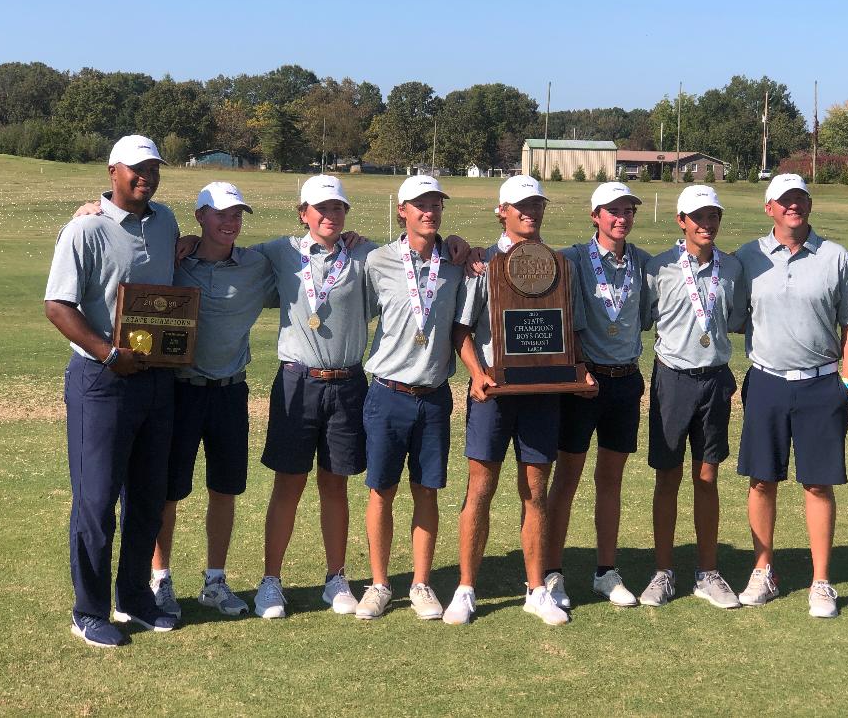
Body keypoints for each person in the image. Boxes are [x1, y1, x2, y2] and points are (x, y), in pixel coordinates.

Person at [45, 135, 180, 647]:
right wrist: (107, 353)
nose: (146, 176)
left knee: (147, 497)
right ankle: (89, 609)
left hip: (156, 378)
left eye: (153, 168)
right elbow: (58, 305)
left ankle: (135, 598)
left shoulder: (165, 222)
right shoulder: (84, 229)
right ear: (112, 172)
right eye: (136, 169)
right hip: (101, 380)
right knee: (96, 500)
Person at [444, 175, 595, 626]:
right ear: (502, 211)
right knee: (481, 489)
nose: (530, 212)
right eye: (521, 206)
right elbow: (462, 331)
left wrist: (581, 370)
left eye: (536, 205)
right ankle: (466, 588)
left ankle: (535, 589)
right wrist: (476, 375)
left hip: (542, 392)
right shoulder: (482, 263)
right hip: (493, 391)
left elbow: (574, 331)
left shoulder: (560, 264)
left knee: (535, 491)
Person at [734, 173, 848, 618]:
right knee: (761, 479)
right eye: (785, 200)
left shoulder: (835, 257)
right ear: (768, 207)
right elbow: (729, 315)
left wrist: (846, 383)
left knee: (818, 482)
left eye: (801, 199)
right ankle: (763, 570)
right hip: (767, 381)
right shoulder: (748, 257)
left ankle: (821, 581)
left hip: (820, 384)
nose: (794, 206)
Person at [251, 175, 378, 619]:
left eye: (338, 208)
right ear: (303, 212)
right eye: (321, 209)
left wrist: (458, 244)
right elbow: (223, 252)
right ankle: (270, 581)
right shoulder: (279, 251)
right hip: (297, 381)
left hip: (347, 383)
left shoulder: (364, 253)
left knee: (335, 483)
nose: (330, 216)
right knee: (288, 482)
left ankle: (336, 577)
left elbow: (417, 258)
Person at [148, 182, 277, 620]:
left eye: (238, 214)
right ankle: (160, 580)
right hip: (179, 392)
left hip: (230, 393)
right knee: (169, 492)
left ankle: (214, 581)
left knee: (224, 490)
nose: (231, 222)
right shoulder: (174, 260)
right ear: (200, 215)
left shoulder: (257, 265)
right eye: (222, 214)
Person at [354, 175, 466, 620]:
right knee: (381, 490)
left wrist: (468, 247)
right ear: (402, 209)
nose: (429, 212)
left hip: (434, 397)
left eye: (435, 204)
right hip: (387, 393)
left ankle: (421, 584)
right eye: (419, 204)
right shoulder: (377, 261)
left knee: (427, 492)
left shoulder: (456, 262)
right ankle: (380, 583)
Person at [638, 185, 746, 610]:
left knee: (707, 477)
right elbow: (646, 317)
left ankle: (707, 572)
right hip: (672, 380)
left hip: (715, 380)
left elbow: (736, 320)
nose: (707, 223)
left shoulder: (733, 267)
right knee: (668, 477)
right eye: (698, 216)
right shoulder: (658, 268)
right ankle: (663, 571)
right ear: (681, 220)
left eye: (713, 215)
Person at [544, 182, 651, 609]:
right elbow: (520, 260)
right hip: (582, 385)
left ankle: (606, 571)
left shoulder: (644, 263)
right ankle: (552, 572)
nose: (621, 217)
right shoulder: (570, 259)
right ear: (595, 216)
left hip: (626, 382)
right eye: (612, 211)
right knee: (566, 480)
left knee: (611, 480)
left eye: (627, 210)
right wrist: (465, 249)